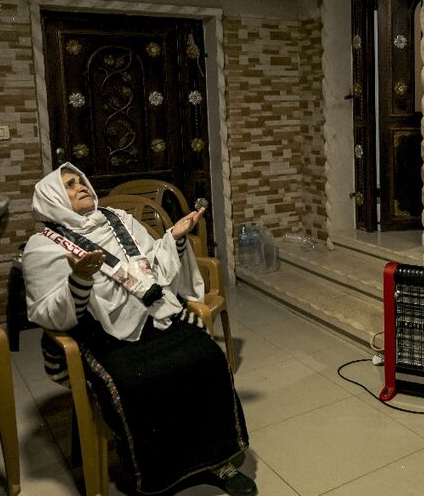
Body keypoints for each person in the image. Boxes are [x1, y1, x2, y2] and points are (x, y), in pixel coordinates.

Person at [22, 164, 256, 496]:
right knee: (140, 379)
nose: (80, 187)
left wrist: (173, 237)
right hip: (100, 334)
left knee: (206, 357)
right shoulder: (43, 248)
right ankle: (159, 473)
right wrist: (79, 280)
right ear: (53, 200)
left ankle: (217, 459)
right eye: (69, 186)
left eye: (80, 181)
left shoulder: (120, 220)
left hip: (153, 315)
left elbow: (153, 269)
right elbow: (46, 312)